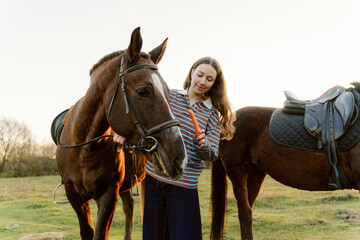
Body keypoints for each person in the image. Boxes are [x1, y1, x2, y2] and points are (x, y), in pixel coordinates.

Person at [113, 56, 235, 240]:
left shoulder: (211, 114)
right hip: (154, 181)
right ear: (192, 72)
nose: (202, 82)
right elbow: (145, 124)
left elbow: (212, 155)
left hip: (184, 188)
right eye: (200, 75)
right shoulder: (169, 97)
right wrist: (125, 134)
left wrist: (202, 144)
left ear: (215, 83)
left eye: (209, 79)